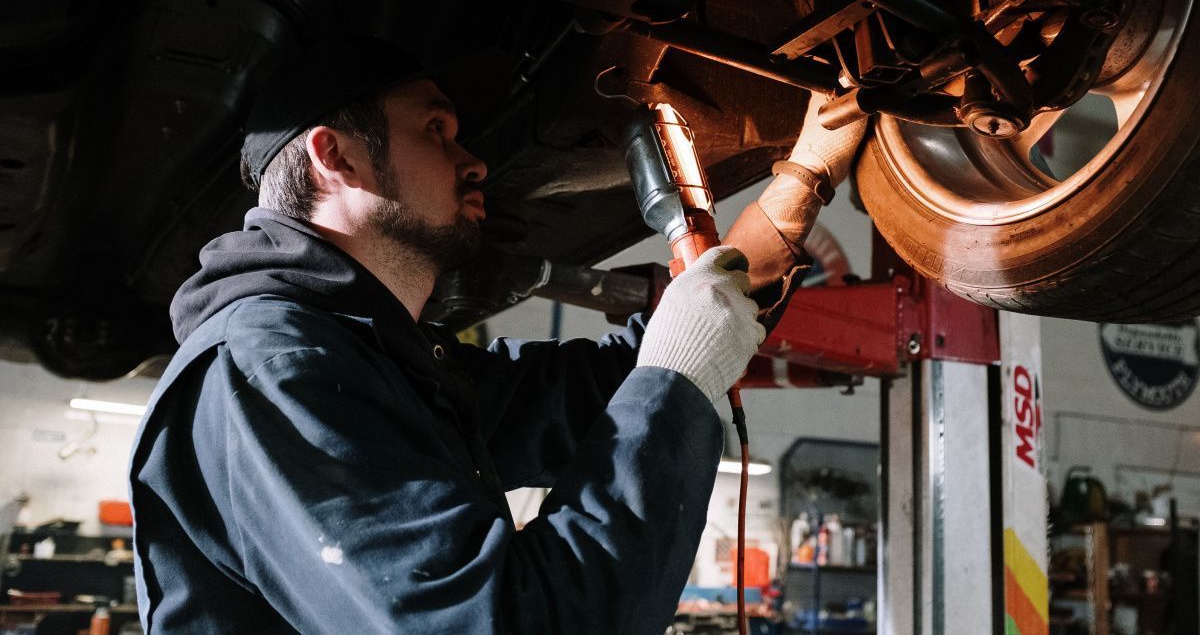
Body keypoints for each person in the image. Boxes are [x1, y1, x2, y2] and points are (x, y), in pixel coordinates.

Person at [128, 35, 864, 633]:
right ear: (336, 156)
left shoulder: (379, 362)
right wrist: (679, 377)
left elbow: (607, 388)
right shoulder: (267, 367)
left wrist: (803, 180)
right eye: (436, 129)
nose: (474, 158)